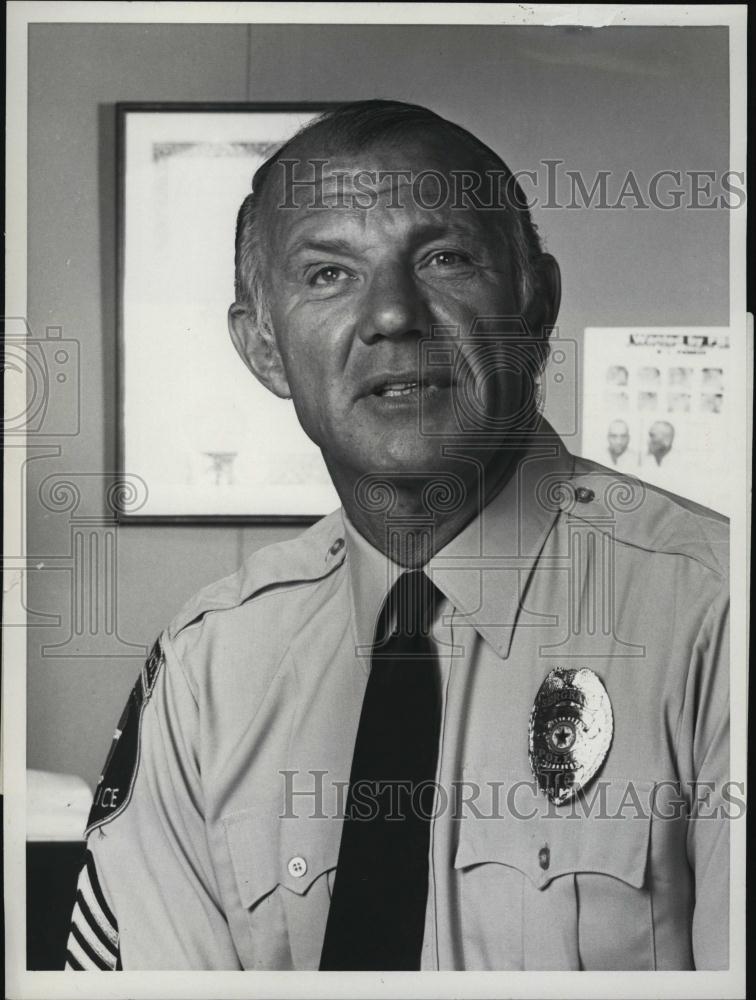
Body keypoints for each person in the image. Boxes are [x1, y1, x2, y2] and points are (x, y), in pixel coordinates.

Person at [65, 100, 730, 972]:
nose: (392, 314)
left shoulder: (716, 618)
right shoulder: (205, 673)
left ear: (536, 307)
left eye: (445, 258)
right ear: (263, 347)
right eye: (328, 274)